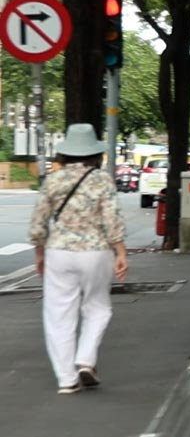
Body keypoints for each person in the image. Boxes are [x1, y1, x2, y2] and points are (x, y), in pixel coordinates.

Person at [29, 123, 128, 395]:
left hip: (59, 252)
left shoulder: (53, 180)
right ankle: (85, 360)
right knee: (98, 307)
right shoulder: (102, 180)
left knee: (59, 314)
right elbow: (112, 220)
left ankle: (66, 379)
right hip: (95, 252)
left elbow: (38, 222)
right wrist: (120, 252)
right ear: (94, 154)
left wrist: (40, 253)